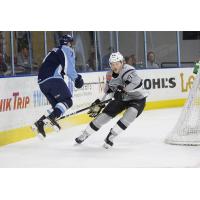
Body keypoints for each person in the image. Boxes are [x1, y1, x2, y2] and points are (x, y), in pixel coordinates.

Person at [75, 52, 148, 148]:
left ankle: (111, 136)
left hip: (137, 99)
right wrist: (101, 103)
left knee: (131, 113)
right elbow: (109, 91)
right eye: (112, 64)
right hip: (121, 99)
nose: (115, 66)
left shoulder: (129, 70)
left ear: (122, 63)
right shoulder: (109, 74)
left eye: (117, 63)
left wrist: (124, 90)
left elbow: (136, 82)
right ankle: (85, 134)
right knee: (104, 116)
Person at [33, 34, 84, 138]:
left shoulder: (53, 51)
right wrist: (77, 79)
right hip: (52, 79)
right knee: (67, 101)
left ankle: (41, 123)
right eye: (71, 43)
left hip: (42, 82)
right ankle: (51, 118)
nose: (72, 45)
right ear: (68, 43)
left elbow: (45, 66)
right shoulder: (67, 49)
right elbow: (69, 69)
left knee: (57, 106)